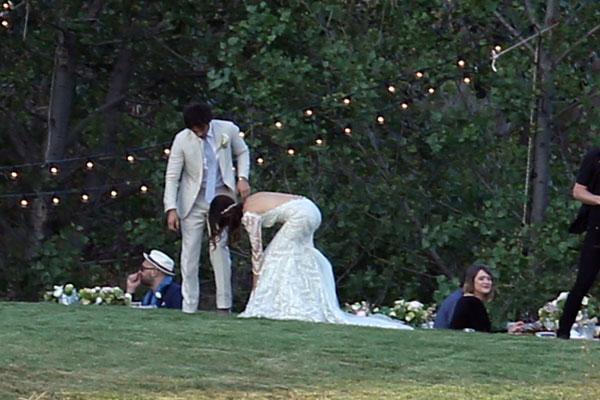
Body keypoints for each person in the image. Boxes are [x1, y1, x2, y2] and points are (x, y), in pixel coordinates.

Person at [208, 192, 412, 330]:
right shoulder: (252, 198)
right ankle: (308, 300)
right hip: (311, 209)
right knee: (297, 257)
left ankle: (280, 304)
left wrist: (256, 287)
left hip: (302, 216)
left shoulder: (249, 215)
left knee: (275, 257)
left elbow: (257, 254)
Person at [163, 102, 250, 314]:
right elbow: (173, 176)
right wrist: (171, 208)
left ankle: (224, 305)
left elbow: (243, 152)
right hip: (192, 200)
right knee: (190, 253)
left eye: (200, 127)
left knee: (219, 249)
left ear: (208, 122)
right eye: (194, 129)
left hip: (221, 197)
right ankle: (189, 305)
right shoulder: (181, 140)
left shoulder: (227, 129)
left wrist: (242, 178)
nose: (198, 132)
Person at [558, 148, 600, 339]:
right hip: (597, 229)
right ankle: (563, 332)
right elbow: (579, 191)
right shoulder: (594, 157)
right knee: (583, 281)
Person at [450, 264, 524, 333]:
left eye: (489, 279)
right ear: (472, 282)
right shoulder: (471, 302)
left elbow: (485, 331)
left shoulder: (471, 301)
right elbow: (484, 332)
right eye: (481, 279)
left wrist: (509, 330)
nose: (486, 282)